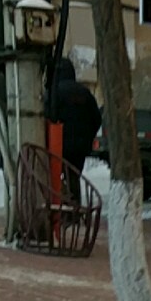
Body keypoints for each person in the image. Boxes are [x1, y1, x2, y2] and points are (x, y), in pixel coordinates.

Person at [46, 56, 101, 199]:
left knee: (56, 178)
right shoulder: (85, 93)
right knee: (74, 177)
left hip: (60, 145)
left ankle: (62, 210)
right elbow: (97, 118)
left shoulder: (54, 92)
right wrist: (88, 136)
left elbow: (47, 117)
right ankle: (75, 208)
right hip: (81, 146)